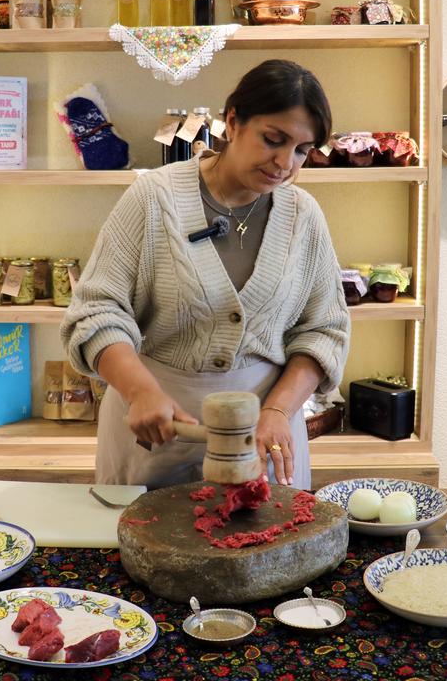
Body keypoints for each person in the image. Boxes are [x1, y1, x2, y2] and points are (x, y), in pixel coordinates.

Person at [60, 59, 349, 490]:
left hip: (263, 437)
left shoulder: (303, 215)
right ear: (232, 121)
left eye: (302, 151)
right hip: (156, 429)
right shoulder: (154, 197)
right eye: (273, 139)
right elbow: (96, 312)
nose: (285, 163)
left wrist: (278, 411)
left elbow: (324, 330)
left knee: (265, 530)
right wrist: (139, 391)